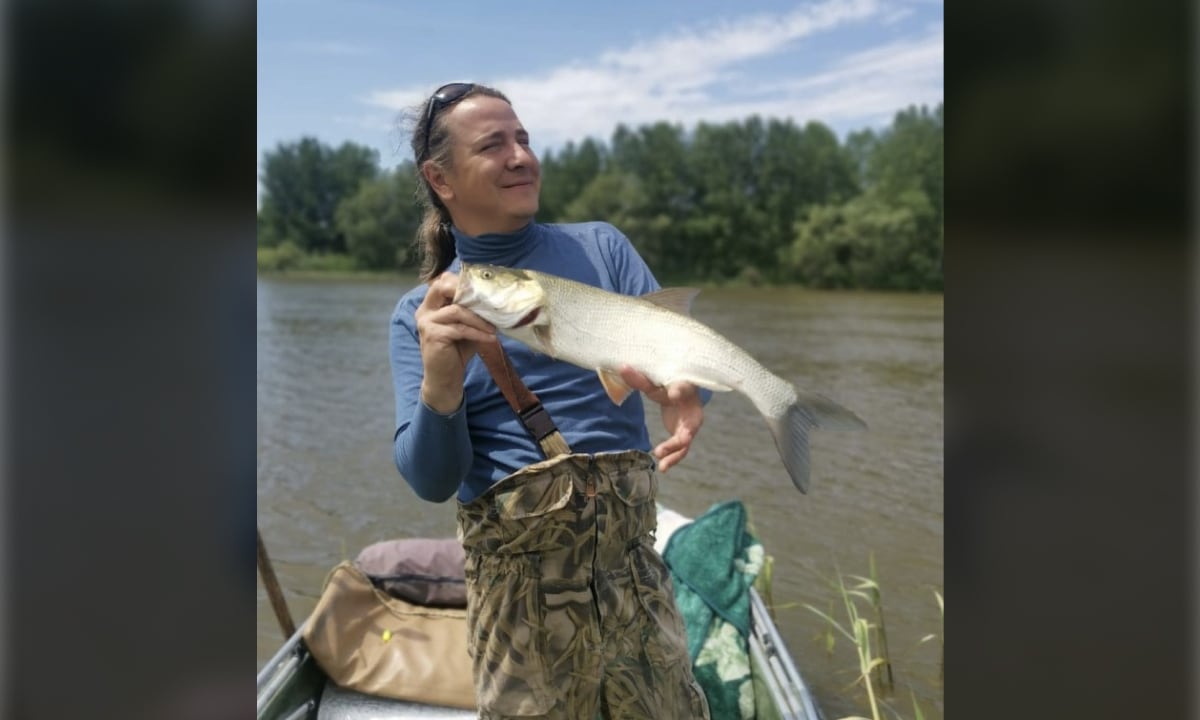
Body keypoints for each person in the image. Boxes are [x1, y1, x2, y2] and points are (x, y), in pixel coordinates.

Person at [389, 82, 711, 720]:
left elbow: (674, 363)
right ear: (440, 178)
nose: (520, 156)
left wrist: (684, 390)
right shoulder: (420, 316)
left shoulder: (602, 247)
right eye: (493, 145)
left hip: (634, 577)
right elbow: (432, 480)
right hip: (519, 608)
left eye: (524, 138)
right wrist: (441, 383)